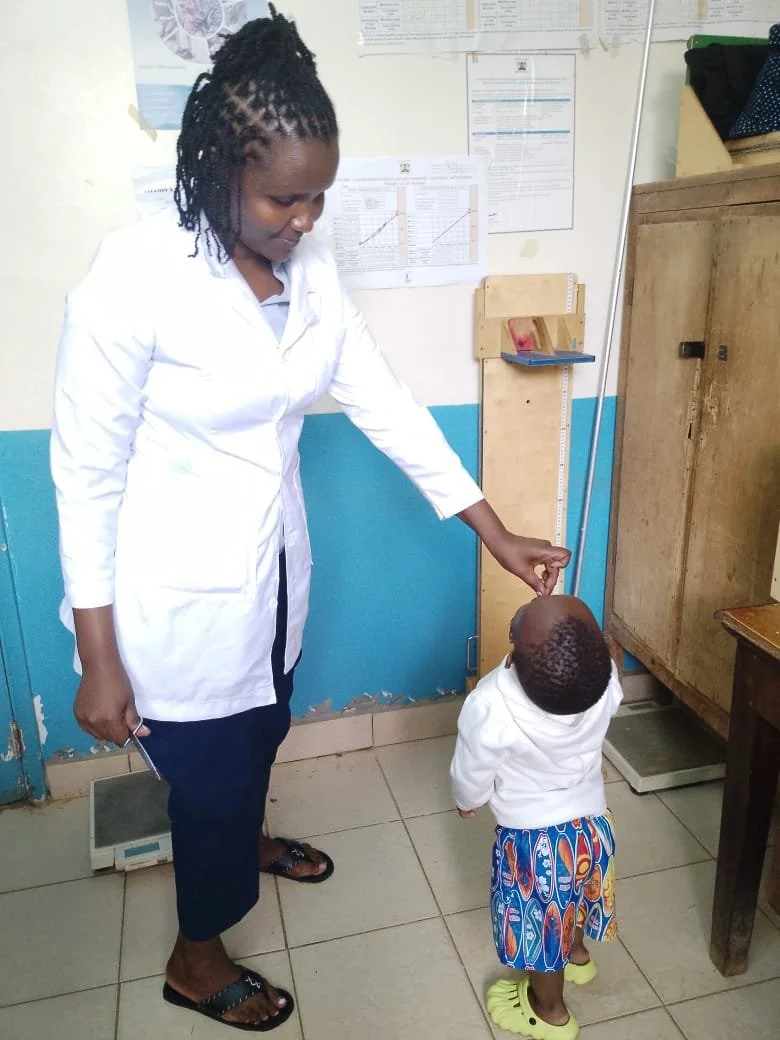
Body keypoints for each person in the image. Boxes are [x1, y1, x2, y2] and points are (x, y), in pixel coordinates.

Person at [51, 7, 570, 1032]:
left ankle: (240, 835)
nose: (305, 218)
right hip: (173, 601)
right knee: (204, 782)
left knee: (263, 729)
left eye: (318, 196)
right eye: (283, 197)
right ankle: (197, 958)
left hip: (273, 571)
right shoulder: (134, 277)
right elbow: (84, 471)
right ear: (216, 171)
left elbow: (383, 399)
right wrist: (97, 656)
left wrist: (490, 526)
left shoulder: (313, 274)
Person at [450, 596, 622, 1040]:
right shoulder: (604, 681)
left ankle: (549, 1011)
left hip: (536, 847)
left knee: (543, 931)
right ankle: (579, 955)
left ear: (512, 644)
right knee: (578, 894)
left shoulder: (490, 704)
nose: (538, 596)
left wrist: (468, 799)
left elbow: (471, 771)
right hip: (593, 825)